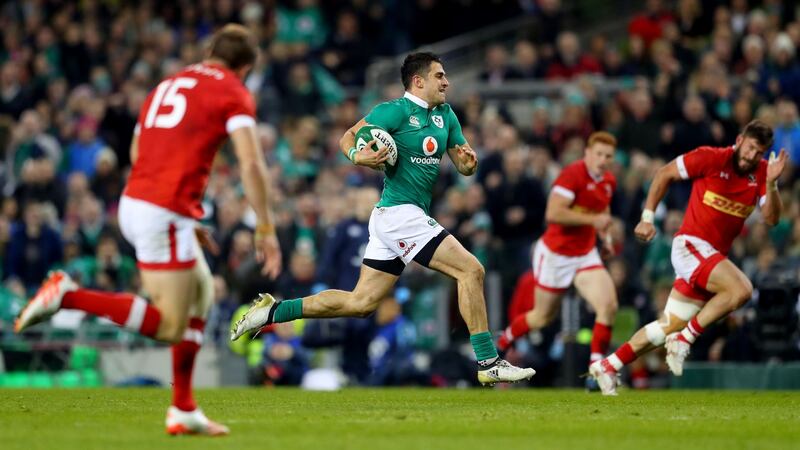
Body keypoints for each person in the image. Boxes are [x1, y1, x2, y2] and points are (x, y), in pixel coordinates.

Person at [15, 24, 282, 434]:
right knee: (171, 325)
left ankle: (183, 409)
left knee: (202, 292)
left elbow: (139, 151)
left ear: (210, 51)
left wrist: (180, 215)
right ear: (245, 68)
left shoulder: (168, 82)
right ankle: (69, 296)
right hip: (162, 210)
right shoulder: (231, 90)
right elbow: (250, 162)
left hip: (141, 200)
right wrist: (264, 225)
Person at [232, 52, 535, 385]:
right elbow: (347, 138)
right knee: (471, 269)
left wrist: (468, 164)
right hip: (399, 214)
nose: (447, 82)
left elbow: (463, 165)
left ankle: (272, 311)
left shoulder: (447, 116)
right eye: (440, 76)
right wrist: (359, 156)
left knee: (361, 302)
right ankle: (488, 361)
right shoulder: (392, 111)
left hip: (399, 216)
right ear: (418, 81)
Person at [590, 120, 787, 395]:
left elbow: (772, 219)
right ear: (740, 140)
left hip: (711, 258)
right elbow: (664, 174)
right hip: (690, 245)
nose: (752, 156)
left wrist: (773, 185)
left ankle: (608, 365)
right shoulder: (710, 157)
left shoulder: (764, 173)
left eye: (759, 152)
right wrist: (647, 218)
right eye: (750, 148)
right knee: (741, 290)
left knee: (667, 325)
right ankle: (685, 339)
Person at [496, 132, 619, 375]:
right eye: (599, 154)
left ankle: (597, 371)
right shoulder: (572, 175)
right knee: (541, 317)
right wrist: (593, 220)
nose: (603, 160)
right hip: (555, 254)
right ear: (587, 154)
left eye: (608, 156)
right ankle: (503, 342)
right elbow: (553, 213)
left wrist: (606, 238)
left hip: (585, 254)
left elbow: (602, 210)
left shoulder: (608, 182)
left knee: (608, 306)